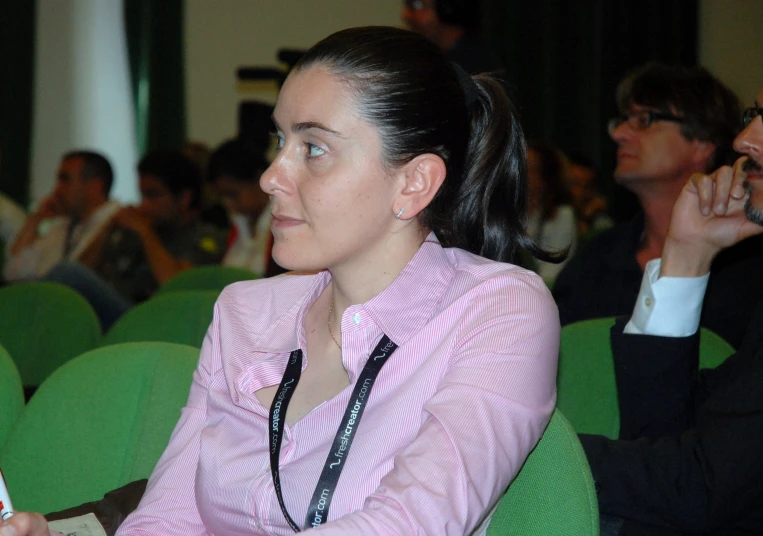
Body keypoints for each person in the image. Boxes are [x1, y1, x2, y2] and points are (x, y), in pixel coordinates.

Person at [0, 26, 560, 536]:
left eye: (313, 149)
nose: (272, 176)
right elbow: (171, 514)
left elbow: (412, 522)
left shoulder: (498, 309)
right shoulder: (244, 311)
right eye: (280, 142)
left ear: (413, 183)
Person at [578, 93, 763, 536]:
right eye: (753, 116)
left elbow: (701, 488)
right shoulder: (596, 255)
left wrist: (517, 448)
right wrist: (686, 255)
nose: (745, 140)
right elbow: (668, 445)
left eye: (646, 119)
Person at [553, 63, 763, 349]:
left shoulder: (750, 265)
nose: (619, 134)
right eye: (623, 120)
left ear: (703, 142)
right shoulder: (596, 258)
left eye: (645, 119)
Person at [47, 151, 226, 329]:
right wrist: (107, 230)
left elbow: (178, 285)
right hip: (118, 315)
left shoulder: (206, 237)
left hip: (159, 321)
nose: (144, 205)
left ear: (184, 198)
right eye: (142, 196)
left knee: (66, 272)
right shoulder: (136, 232)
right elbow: (82, 273)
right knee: (63, 279)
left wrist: (145, 233)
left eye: (153, 195)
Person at [4, 151, 119, 281]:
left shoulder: (117, 221)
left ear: (94, 186)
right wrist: (35, 221)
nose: (57, 189)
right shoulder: (64, 224)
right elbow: (14, 274)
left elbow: (74, 279)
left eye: (65, 180)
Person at [207, 138, 276, 276]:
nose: (227, 204)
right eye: (222, 197)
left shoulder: (286, 224)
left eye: (233, 194)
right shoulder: (237, 225)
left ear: (260, 179)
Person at [401, 0, 504, 75]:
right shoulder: (425, 57)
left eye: (416, 5)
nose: (406, 15)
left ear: (446, 10)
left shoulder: (477, 65)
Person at [526, 139, 577, 283]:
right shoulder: (509, 215)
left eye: (530, 170)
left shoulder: (562, 215)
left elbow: (554, 268)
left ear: (545, 177)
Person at [565, 151, 613, 236]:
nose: (582, 192)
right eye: (576, 184)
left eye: (587, 186)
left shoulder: (601, 223)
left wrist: (586, 219)